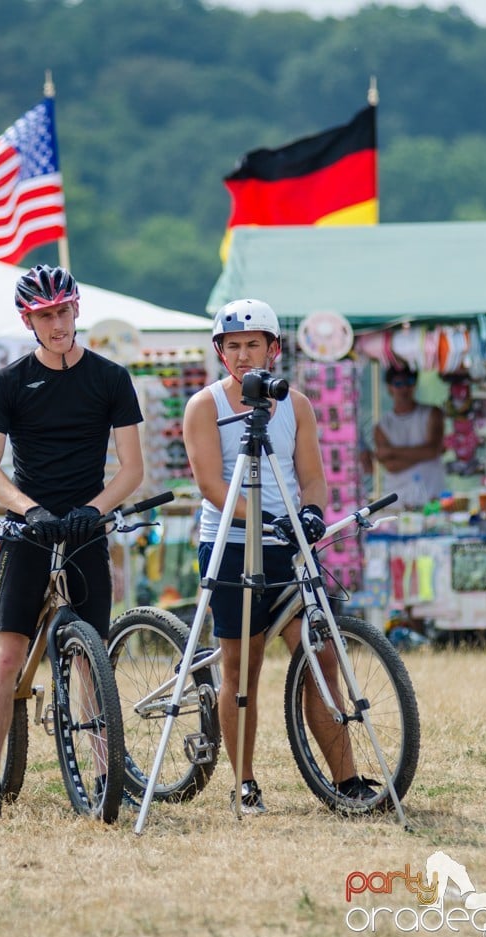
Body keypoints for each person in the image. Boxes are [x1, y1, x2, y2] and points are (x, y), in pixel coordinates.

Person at [182, 298, 377, 814]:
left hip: (291, 547)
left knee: (323, 658)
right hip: (230, 544)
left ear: (274, 349)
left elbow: (312, 475)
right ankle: (244, 783)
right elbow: (210, 485)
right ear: (221, 353)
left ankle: (348, 781)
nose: (243, 355)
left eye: (253, 345)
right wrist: (261, 517)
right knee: (241, 669)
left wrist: (310, 512)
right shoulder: (206, 405)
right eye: (233, 346)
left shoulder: (297, 405)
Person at [0, 264, 144, 819]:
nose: (57, 323)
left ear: (76, 310)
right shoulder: (10, 382)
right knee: (7, 654)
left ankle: (103, 770)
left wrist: (94, 509)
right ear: (29, 320)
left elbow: (132, 469)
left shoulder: (111, 378)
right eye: (45, 315)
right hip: (30, 530)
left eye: (63, 311)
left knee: (93, 657)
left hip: (87, 528)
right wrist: (31, 509)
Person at [373, 364, 445, 508]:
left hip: (432, 500)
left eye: (409, 382)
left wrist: (392, 451)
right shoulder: (382, 426)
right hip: (396, 503)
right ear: (389, 388)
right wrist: (423, 453)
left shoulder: (432, 413)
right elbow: (391, 465)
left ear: (415, 385)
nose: (404, 388)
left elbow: (432, 451)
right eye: (398, 384)